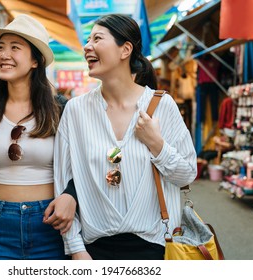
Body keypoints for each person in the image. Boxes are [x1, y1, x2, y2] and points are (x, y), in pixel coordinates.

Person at [53, 14, 197, 260]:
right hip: (92, 249)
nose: (87, 46)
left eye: (97, 38)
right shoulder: (75, 110)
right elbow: (62, 179)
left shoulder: (162, 105)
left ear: (125, 50)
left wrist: (157, 144)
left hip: (155, 247)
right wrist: (75, 248)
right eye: (87, 40)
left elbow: (187, 174)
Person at [0, 14, 76, 260]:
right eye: (0, 47)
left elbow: (81, 168)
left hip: (50, 224)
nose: (4, 55)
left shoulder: (60, 110)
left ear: (34, 61)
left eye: (15, 48)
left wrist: (70, 194)